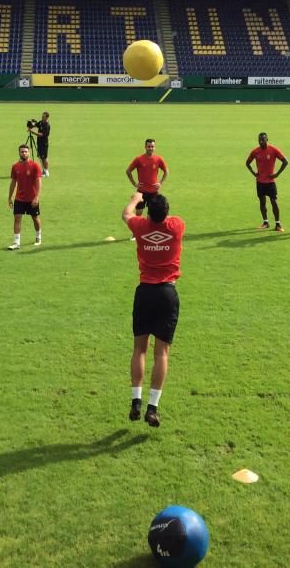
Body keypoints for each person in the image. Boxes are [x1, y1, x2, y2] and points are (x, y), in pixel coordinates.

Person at [122, 191, 185, 428]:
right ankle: (152, 407)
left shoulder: (140, 227)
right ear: (166, 213)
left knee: (139, 349)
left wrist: (136, 198)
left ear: (148, 213)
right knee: (162, 353)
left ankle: (135, 401)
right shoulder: (177, 226)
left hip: (145, 292)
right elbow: (168, 218)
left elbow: (126, 214)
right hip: (167, 294)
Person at [245, 132, 288, 232]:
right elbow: (247, 163)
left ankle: (278, 224)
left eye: (263, 139)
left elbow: (285, 161)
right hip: (260, 182)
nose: (261, 141)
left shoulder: (273, 150)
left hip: (270, 182)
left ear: (267, 140)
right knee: (262, 202)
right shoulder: (255, 152)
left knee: (274, 202)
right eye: (259, 140)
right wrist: (253, 173)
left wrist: (277, 174)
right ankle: (265, 222)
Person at [7, 143, 43, 250]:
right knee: (17, 218)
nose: (24, 153)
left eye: (25, 151)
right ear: (19, 153)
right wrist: (9, 197)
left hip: (32, 198)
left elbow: (39, 182)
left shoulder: (35, 166)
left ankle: (38, 237)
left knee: (35, 218)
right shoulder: (15, 167)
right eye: (22, 151)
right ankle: (16, 242)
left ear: (29, 153)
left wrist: (37, 197)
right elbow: (13, 182)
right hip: (19, 198)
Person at [126, 139, 169, 217]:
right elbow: (128, 171)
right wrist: (134, 184)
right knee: (138, 213)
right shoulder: (139, 159)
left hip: (153, 192)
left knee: (152, 215)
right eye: (149, 146)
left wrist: (160, 183)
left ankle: (149, 229)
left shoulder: (158, 159)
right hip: (141, 192)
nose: (151, 148)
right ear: (145, 147)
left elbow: (166, 172)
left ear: (155, 147)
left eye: (152, 146)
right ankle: (139, 228)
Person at [29, 111, 51, 177]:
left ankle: (46, 171)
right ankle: (44, 170)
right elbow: (35, 125)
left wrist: (32, 132)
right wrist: (31, 124)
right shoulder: (41, 122)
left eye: (44, 117)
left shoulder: (47, 125)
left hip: (44, 143)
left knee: (44, 157)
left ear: (47, 117)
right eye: (42, 116)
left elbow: (41, 134)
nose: (42, 117)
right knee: (41, 157)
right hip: (39, 142)